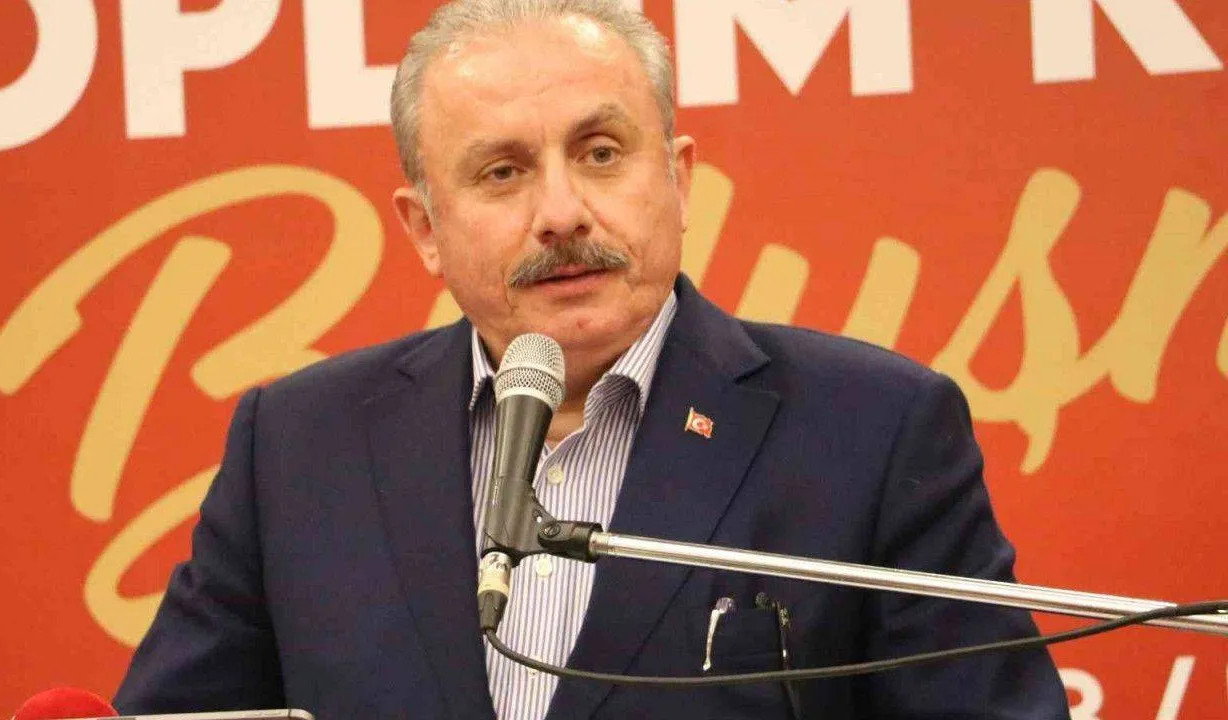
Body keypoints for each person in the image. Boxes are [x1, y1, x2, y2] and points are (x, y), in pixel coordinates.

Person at [115, 1, 1070, 718]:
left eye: (602, 153)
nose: (563, 213)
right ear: (425, 230)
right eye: (502, 172)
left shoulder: (873, 430)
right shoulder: (297, 445)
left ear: (679, 180)